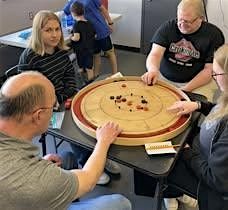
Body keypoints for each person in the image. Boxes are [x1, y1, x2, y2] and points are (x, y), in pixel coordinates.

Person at [0, 71, 132, 210]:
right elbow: (89, 180)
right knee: (122, 203)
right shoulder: (35, 181)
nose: (55, 109)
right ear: (38, 115)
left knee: (67, 158)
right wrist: (103, 141)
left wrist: (40, 164)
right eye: (53, 106)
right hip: (32, 194)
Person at [135, 44, 228, 210]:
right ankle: (174, 192)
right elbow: (219, 109)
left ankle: (172, 191)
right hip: (201, 148)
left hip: (206, 179)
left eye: (217, 73)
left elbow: (216, 179)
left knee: (148, 154)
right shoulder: (226, 98)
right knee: (166, 135)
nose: (213, 77)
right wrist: (198, 105)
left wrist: (185, 152)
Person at [141, 0, 224, 102]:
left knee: (195, 110)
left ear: (201, 19)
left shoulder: (214, 35)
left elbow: (209, 70)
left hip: (196, 82)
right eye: (180, 19)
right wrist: (153, 70)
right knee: (150, 102)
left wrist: (185, 90)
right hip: (163, 77)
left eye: (187, 21)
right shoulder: (168, 27)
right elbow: (155, 54)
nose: (182, 25)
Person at [18, 10, 78, 105]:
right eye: (48, 30)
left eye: (57, 29)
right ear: (38, 32)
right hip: (43, 104)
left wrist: (66, 94)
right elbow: (28, 92)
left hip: (63, 98)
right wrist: (52, 102)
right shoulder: (29, 57)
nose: (54, 35)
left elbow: (69, 74)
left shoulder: (61, 51)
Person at [63, 0, 118, 77]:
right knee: (96, 54)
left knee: (110, 52)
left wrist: (110, 22)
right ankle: (95, 76)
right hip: (90, 34)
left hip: (101, 29)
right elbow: (65, 12)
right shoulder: (72, 1)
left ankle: (116, 75)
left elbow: (103, 9)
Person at [70, 1, 96, 82]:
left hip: (81, 50)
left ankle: (82, 82)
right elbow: (95, 35)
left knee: (80, 67)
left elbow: (77, 38)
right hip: (90, 49)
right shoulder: (89, 23)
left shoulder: (76, 25)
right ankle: (91, 83)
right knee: (89, 68)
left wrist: (71, 37)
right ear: (83, 11)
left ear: (73, 13)